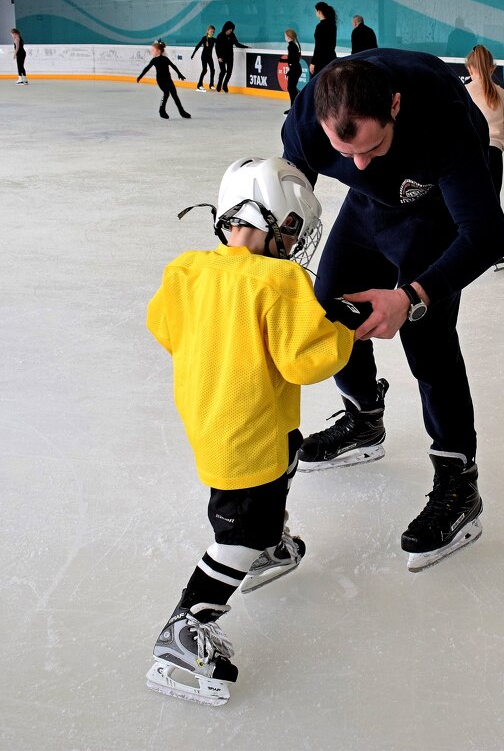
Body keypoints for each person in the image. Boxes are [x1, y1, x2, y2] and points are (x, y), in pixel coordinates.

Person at [280, 50, 504, 572]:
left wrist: (412, 296)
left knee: (429, 345)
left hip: (437, 215)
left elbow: (488, 236)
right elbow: (291, 191)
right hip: (368, 211)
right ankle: (364, 420)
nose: (360, 162)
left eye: (374, 145)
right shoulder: (309, 116)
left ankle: (459, 483)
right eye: (345, 151)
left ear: (396, 107)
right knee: (332, 306)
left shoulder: (442, 116)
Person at [145, 156, 354, 706]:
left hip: (215, 416)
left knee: (281, 467)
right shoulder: (280, 280)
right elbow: (306, 363)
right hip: (249, 429)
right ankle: (184, 628)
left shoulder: (187, 269)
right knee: (240, 529)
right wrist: (342, 328)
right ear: (281, 225)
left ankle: (272, 545)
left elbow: (163, 327)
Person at [465, 45, 504, 271]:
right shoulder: (501, 93)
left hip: (474, 154)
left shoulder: (466, 91)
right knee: (494, 202)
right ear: (492, 67)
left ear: (469, 68)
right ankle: (496, 249)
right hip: (494, 153)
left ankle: (466, 246)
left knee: (470, 200)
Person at [136, 41, 191, 120]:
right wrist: (140, 76)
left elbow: (173, 66)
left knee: (175, 95)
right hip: (161, 80)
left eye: (153, 50)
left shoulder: (165, 59)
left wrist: (179, 74)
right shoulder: (154, 60)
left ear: (158, 51)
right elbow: (147, 68)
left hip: (168, 79)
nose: (151, 52)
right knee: (166, 93)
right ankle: (161, 110)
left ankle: (182, 112)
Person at [214, 20, 248, 94]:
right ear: (226, 28)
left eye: (231, 30)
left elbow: (237, 44)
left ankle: (225, 85)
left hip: (230, 56)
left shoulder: (232, 35)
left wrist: (246, 47)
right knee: (223, 71)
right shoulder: (220, 36)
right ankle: (219, 84)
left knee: (229, 72)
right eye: (229, 30)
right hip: (221, 56)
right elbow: (217, 47)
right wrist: (219, 57)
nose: (230, 31)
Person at [310, 2, 338, 76]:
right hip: (331, 58)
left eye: (316, 11)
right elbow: (333, 44)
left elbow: (318, 46)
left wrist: (313, 62)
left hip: (321, 61)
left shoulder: (320, 26)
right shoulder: (332, 25)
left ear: (319, 11)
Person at [282, 28, 303, 115]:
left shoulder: (291, 46)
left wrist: (283, 61)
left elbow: (292, 60)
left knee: (291, 88)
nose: (285, 37)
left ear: (288, 37)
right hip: (295, 68)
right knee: (292, 88)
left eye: (285, 36)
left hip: (295, 69)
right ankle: (295, 107)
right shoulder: (293, 45)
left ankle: (294, 107)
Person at [191, 24, 216, 91]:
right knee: (204, 70)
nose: (212, 33)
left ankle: (211, 85)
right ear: (208, 31)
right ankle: (199, 85)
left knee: (213, 70)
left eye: (213, 32)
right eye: (211, 31)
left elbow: (220, 43)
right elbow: (198, 46)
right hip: (204, 56)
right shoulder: (204, 38)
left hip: (209, 57)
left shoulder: (213, 39)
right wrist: (193, 54)